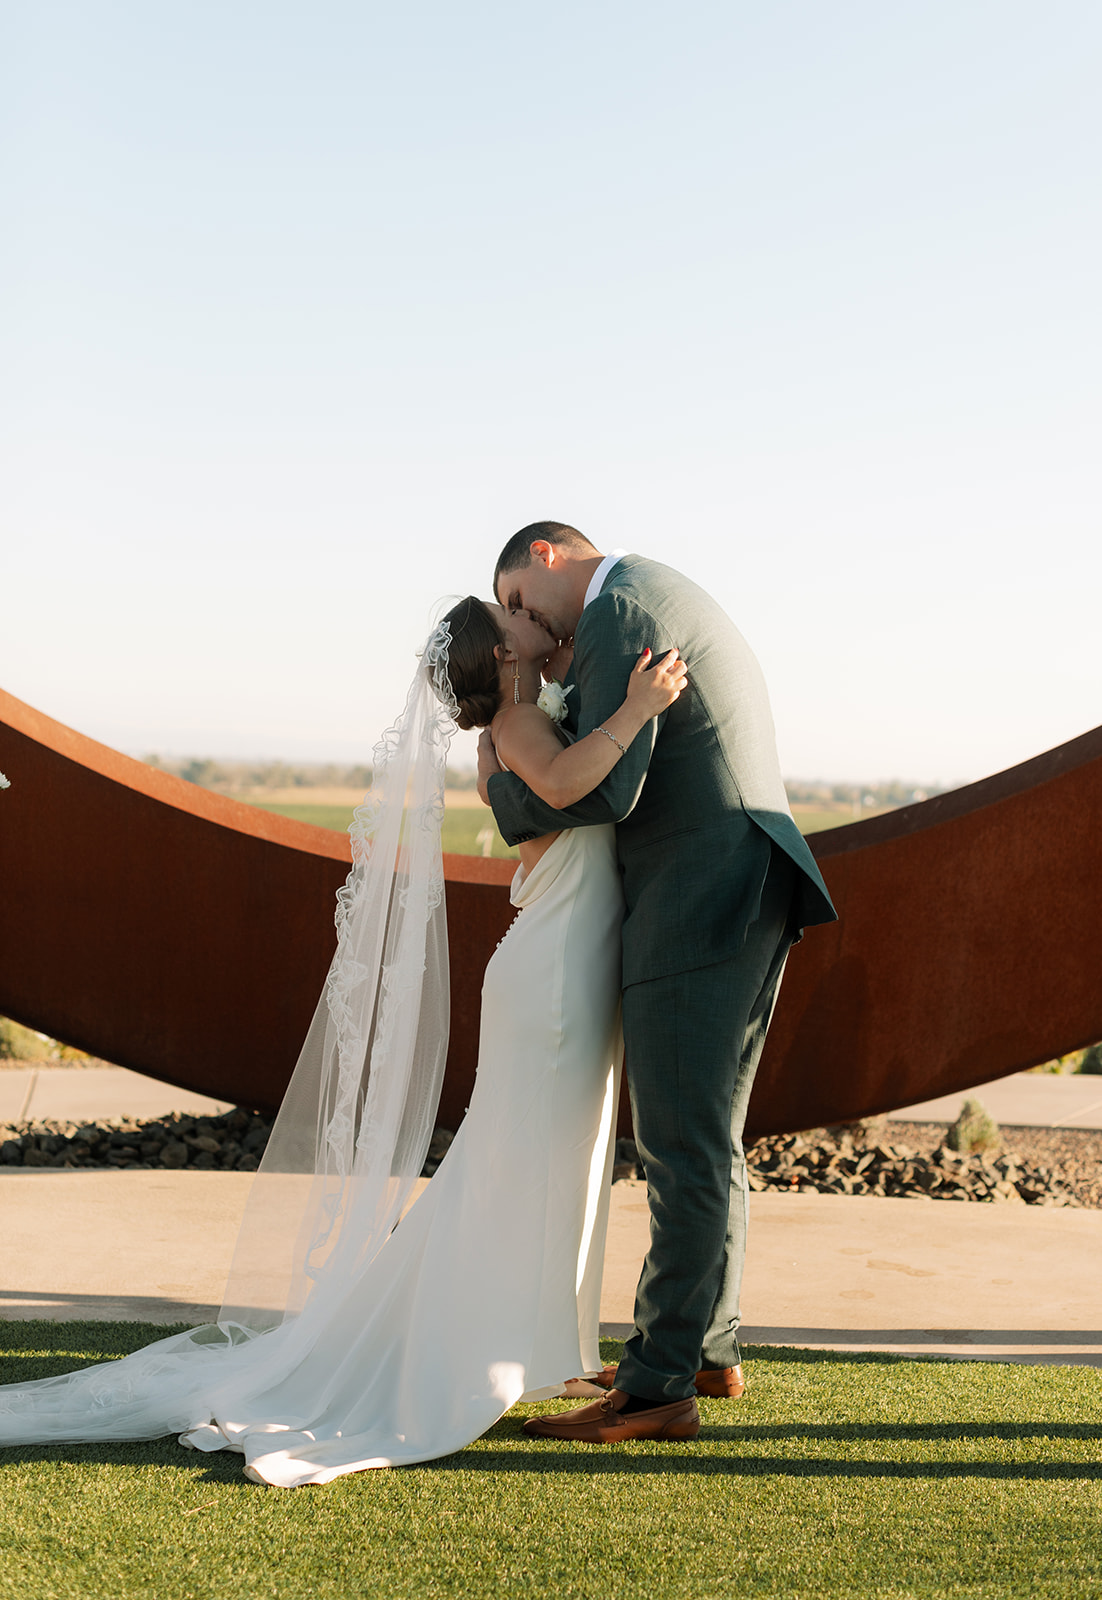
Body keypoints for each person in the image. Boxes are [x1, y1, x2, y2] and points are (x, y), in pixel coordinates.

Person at [0, 597, 685, 1484]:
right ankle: (471, 1345)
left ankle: (542, 1335)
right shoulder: (516, 727)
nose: (528, 620)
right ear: (499, 659)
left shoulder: (532, 713)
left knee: (563, 1157)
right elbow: (562, 788)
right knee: (516, 1164)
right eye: (511, 618)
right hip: (550, 973)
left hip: (571, 966)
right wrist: (637, 709)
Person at [480, 522, 838, 1445]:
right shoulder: (636, 595)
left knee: (683, 1146)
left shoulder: (619, 612)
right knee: (706, 1137)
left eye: (520, 600)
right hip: (734, 880)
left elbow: (600, 791)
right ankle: (705, 1349)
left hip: (700, 894)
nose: (525, 625)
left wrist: (499, 789)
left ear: (551, 556)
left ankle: (654, 1387)